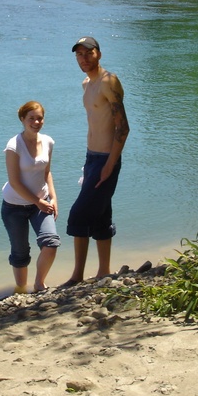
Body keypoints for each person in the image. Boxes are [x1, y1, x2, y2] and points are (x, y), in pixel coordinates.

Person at [64, 36, 130, 286]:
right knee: (101, 216)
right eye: (79, 54)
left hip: (105, 159)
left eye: (88, 53)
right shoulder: (86, 83)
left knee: (78, 216)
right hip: (92, 157)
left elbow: (122, 129)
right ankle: (104, 272)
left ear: (99, 54)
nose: (83, 58)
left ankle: (77, 276)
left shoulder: (108, 82)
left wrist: (110, 165)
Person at [1, 101, 61, 294]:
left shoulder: (48, 142)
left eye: (39, 118)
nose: (36, 122)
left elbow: (47, 173)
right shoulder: (13, 146)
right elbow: (15, 182)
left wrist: (53, 199)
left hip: (41, 204)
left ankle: (39, 284)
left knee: (50, 243)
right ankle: (20, 291)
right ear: (22, 120)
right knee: (20, 253)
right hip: (14, 206)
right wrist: (38, 202)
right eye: (31, 118)